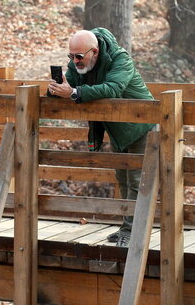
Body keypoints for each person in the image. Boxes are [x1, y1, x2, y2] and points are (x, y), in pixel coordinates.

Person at [47, 28, 154, 248]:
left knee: (137, 182)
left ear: (94, 52)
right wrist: (56, 89)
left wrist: (74, 93)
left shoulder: (120, 59)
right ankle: (129, 228)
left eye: (79, 56)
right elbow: (71, 85)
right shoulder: (80, 63)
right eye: (71, 56)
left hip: (142, 126)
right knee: (123, 180)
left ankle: (134, 233)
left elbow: (113, 88)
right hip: (118, 128)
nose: (74, 61)